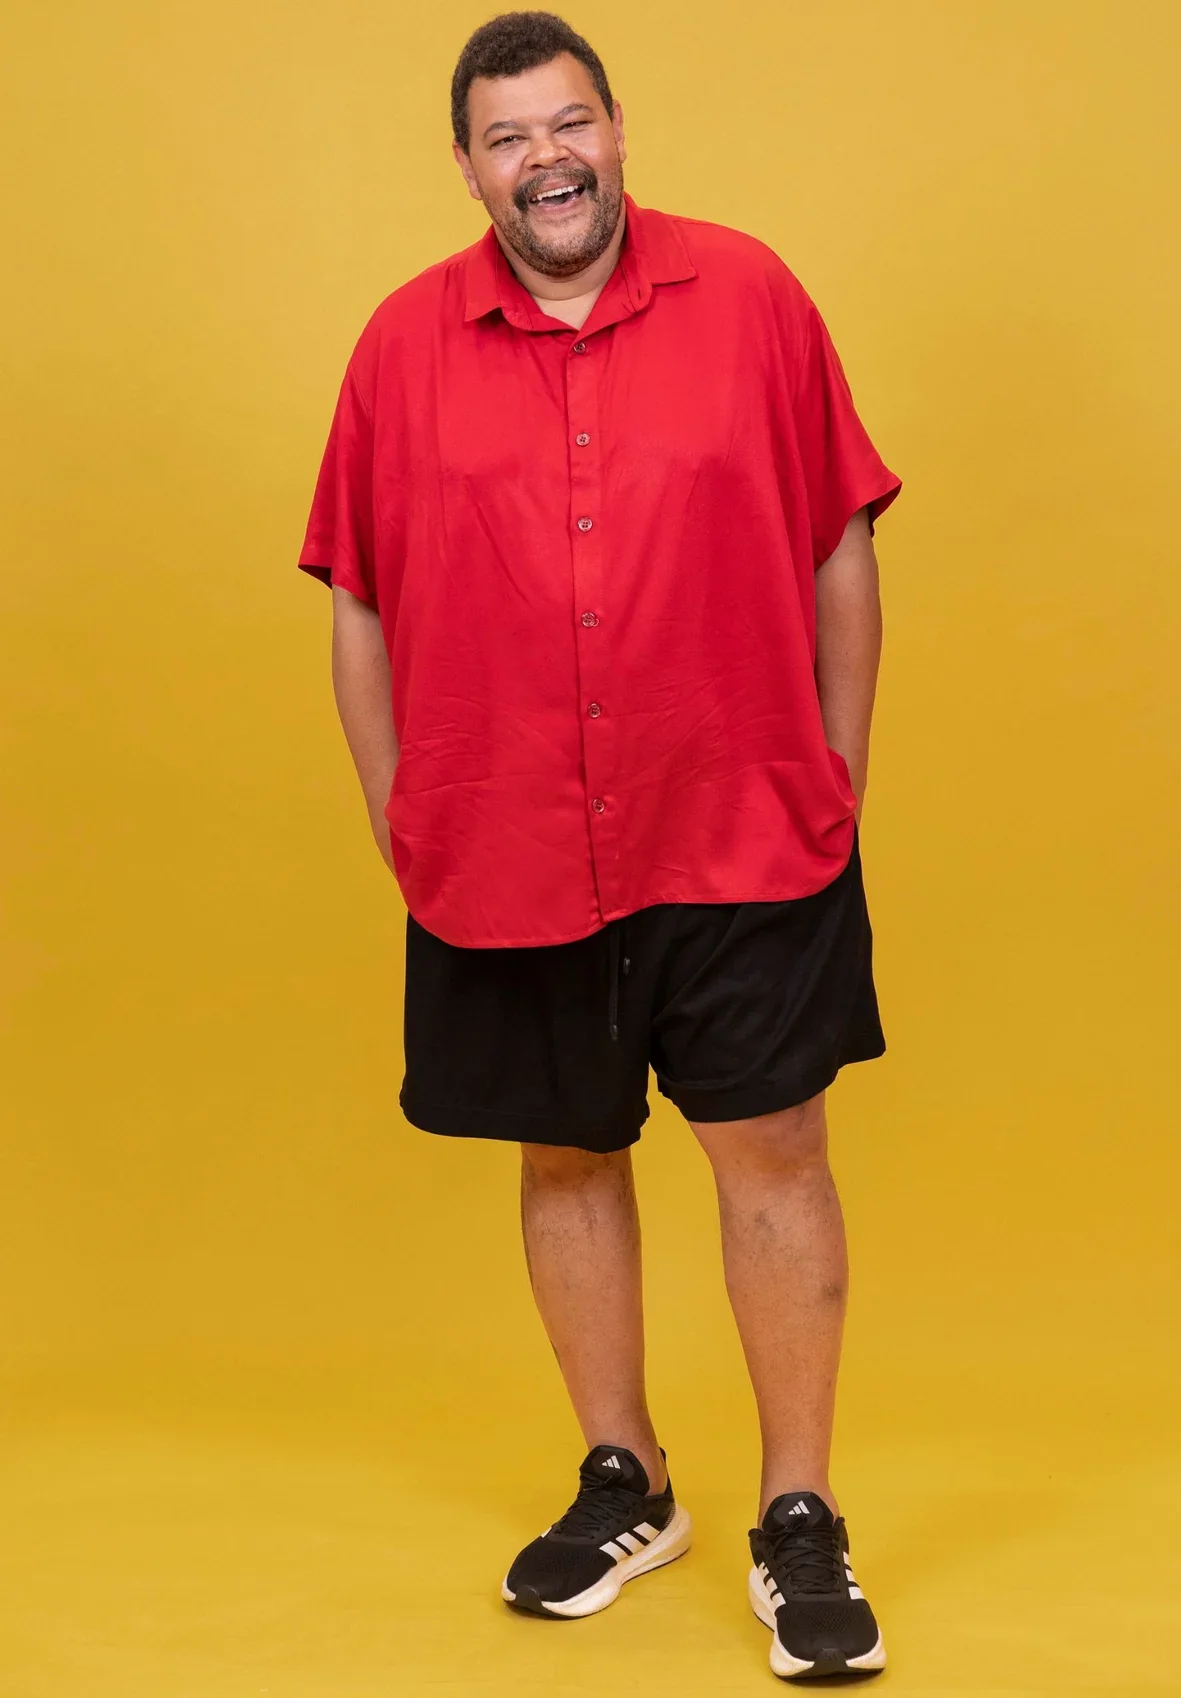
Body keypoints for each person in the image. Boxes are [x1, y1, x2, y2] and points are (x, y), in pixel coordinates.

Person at [297, 10, 900, 1682]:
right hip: (503, 839)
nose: (544, 158)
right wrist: (403, 810)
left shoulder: (753, 297)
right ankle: (626, 1475)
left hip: (742, 824)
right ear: (468, 165)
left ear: (619, 129)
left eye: (569, 123)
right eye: (508, 135)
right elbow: (356, 596)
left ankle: (798, 1510)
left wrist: (836, 773)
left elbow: (838, 540)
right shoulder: (399, 345)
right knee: (564, 1153)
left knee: (774, 1154)